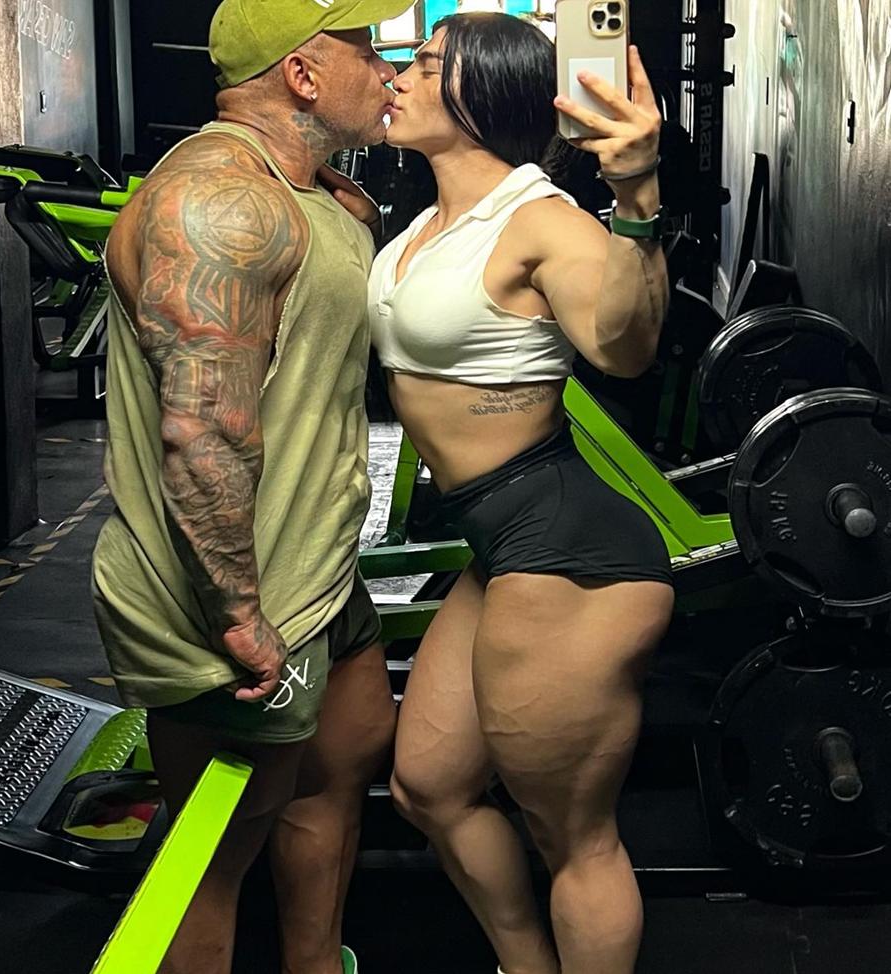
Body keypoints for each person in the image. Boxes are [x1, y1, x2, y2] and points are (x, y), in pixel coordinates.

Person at [337, 12, 675, 974]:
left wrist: (637, 194)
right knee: (429, 786)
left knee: (573, 837)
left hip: (571, 554)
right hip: (499, 541)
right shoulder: (421, 226)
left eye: (425, 63)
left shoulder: (541, 219)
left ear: (481, 92)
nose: (400, 75)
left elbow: (624, 346)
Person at [89, 2, 413, 972]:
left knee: (340, 766)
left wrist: (349, 211)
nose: (388, 68)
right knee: (207, 866)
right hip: (236, 599)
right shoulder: (220, 206)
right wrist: (236, 617)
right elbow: (203, 435)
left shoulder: (305, 194)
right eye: (366, 49)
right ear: (303, 76)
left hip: (318, 577)